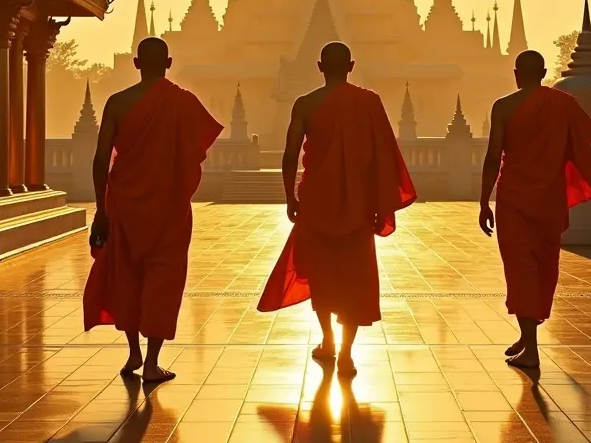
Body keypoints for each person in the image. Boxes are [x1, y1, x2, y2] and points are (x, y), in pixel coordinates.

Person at [257, 42, 416, 376]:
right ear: (351, 66)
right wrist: (380, 201)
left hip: (317, 203)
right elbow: (383, 157)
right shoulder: (368, 103)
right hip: (358, 205)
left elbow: (289, 156)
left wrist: (290, 197)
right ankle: (345, 352)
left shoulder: (306, 105)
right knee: (354, 280)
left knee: (322, 276)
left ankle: (328, 340)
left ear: (319, 66)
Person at [82, 37, 223, 384]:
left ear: (136, 63)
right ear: (169, 63)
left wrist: (101, 210)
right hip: (168, 208)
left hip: (124, 205)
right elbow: (196, 152)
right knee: (163, 280)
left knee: (126, 275)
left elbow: (101, 160)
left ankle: (133, 352)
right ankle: (151, 362)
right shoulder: (183, 103)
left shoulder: (117, 103)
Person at [480, 49, 591, 370]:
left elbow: (493, 157)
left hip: (514, 198)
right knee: (543, 265)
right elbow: (584, 138)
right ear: (544, 72)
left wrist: (483, 200)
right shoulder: (563, 106)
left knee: (521, 270)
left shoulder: (504, 107)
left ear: (517, 74)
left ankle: (530, 346)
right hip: (548, 197)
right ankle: (526, 336)